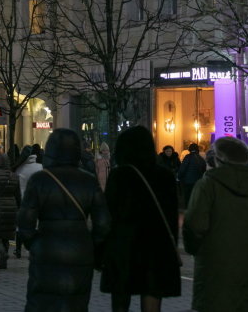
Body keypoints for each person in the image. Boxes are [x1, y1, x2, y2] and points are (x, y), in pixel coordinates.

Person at [18, 128, 111, 311]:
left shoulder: (39, 180)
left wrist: (35, 243)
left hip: (46, 248)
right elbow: (103, 223)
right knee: (76, 303)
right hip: (80, 250)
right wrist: (91, 246)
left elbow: (25, 222)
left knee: (42, 302)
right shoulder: (89, 181)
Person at [183, 137, 248, 312]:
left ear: (217, 159)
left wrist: (195, 248)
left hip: (212, 264)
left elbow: (194, 224)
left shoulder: (207, 186)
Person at [100, 126, 181, 312]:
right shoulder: (165, 176)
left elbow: (109, 214)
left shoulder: (120, 176)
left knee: (121, 296)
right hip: (156, 246)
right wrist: (172, 244)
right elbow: (171, 215)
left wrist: (102, 249)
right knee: (152, 293)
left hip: (124, 245)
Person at [12, 145, 43, 259]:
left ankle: (18, 249)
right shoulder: (40, 167)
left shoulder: (19, 169)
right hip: (37, 201)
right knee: (36, 225)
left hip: (22, 201)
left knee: (19, 227)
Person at [177, 143, 207, 208]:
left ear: (190, 149)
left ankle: (188, 211)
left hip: (187, 181)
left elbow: (182, 169)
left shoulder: (188, 157)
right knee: (195, 197)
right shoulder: (201, 159)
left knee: (187, 197)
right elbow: (204, 170)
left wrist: (179, 177)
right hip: (197, 181)